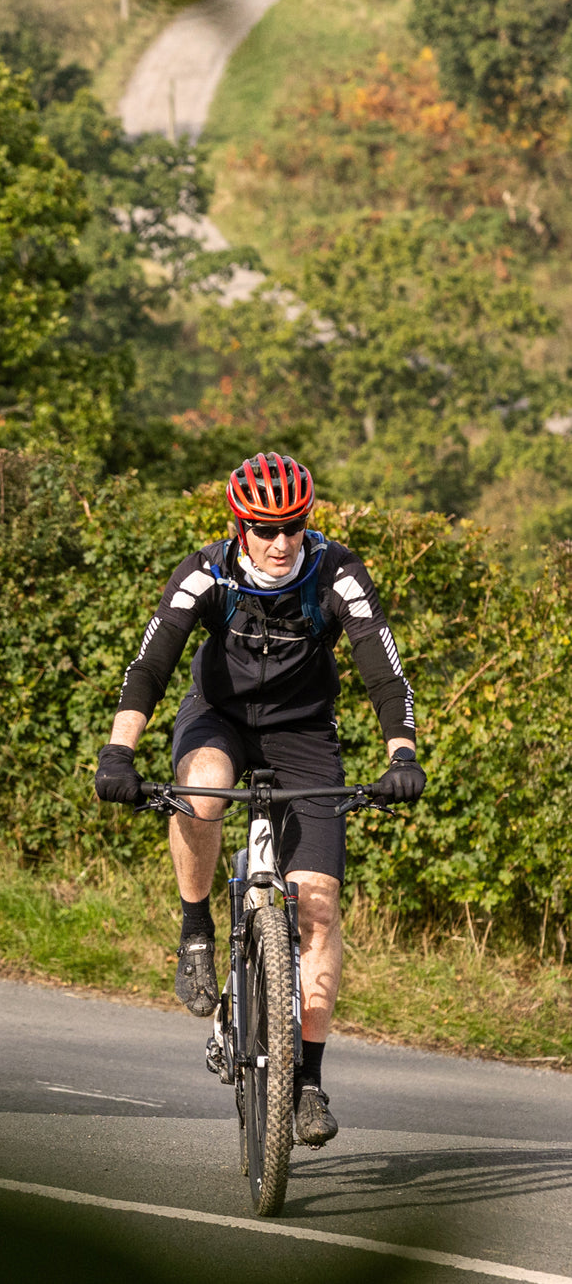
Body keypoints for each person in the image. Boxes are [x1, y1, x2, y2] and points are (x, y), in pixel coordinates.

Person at [93, 453, 425, 1147]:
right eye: (265, 528)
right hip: (219, 721)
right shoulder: (204, 573)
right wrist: (119, 751)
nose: (281, 543)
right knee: (205, 791)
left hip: (305, 736)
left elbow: (383, 672)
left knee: (318, 907)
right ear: (238, 525)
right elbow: (150, 667)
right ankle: (195, 933)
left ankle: (306, 1082)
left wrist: (402, 756)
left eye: (294, 526)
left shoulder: (337, 573)